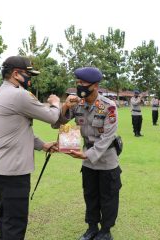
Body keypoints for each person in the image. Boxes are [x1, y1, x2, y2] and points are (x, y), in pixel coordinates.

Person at [0, 56, 61, 240]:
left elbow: (18, 131)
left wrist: (43, 145)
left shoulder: (1, 93)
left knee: (6, 219)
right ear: (15, 74)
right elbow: (52, 116)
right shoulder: (18, 94)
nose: (30, 79)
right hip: (13, 171)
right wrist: (56, 102)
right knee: (15, 224)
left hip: (2, 168)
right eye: (28, 74)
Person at [53, 67, 122, 240]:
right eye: (78, 83)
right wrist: (65, 106)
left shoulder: (108, 106)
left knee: (108, 196)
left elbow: (107, 137)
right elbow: (57, 124)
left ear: (95, 85)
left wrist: (87, 155)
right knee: (90, 194)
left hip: (106, 159)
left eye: (82, 83)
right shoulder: (78, 104)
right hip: (87, 159)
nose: (79, 86)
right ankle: (92, 227)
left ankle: (105, 231)